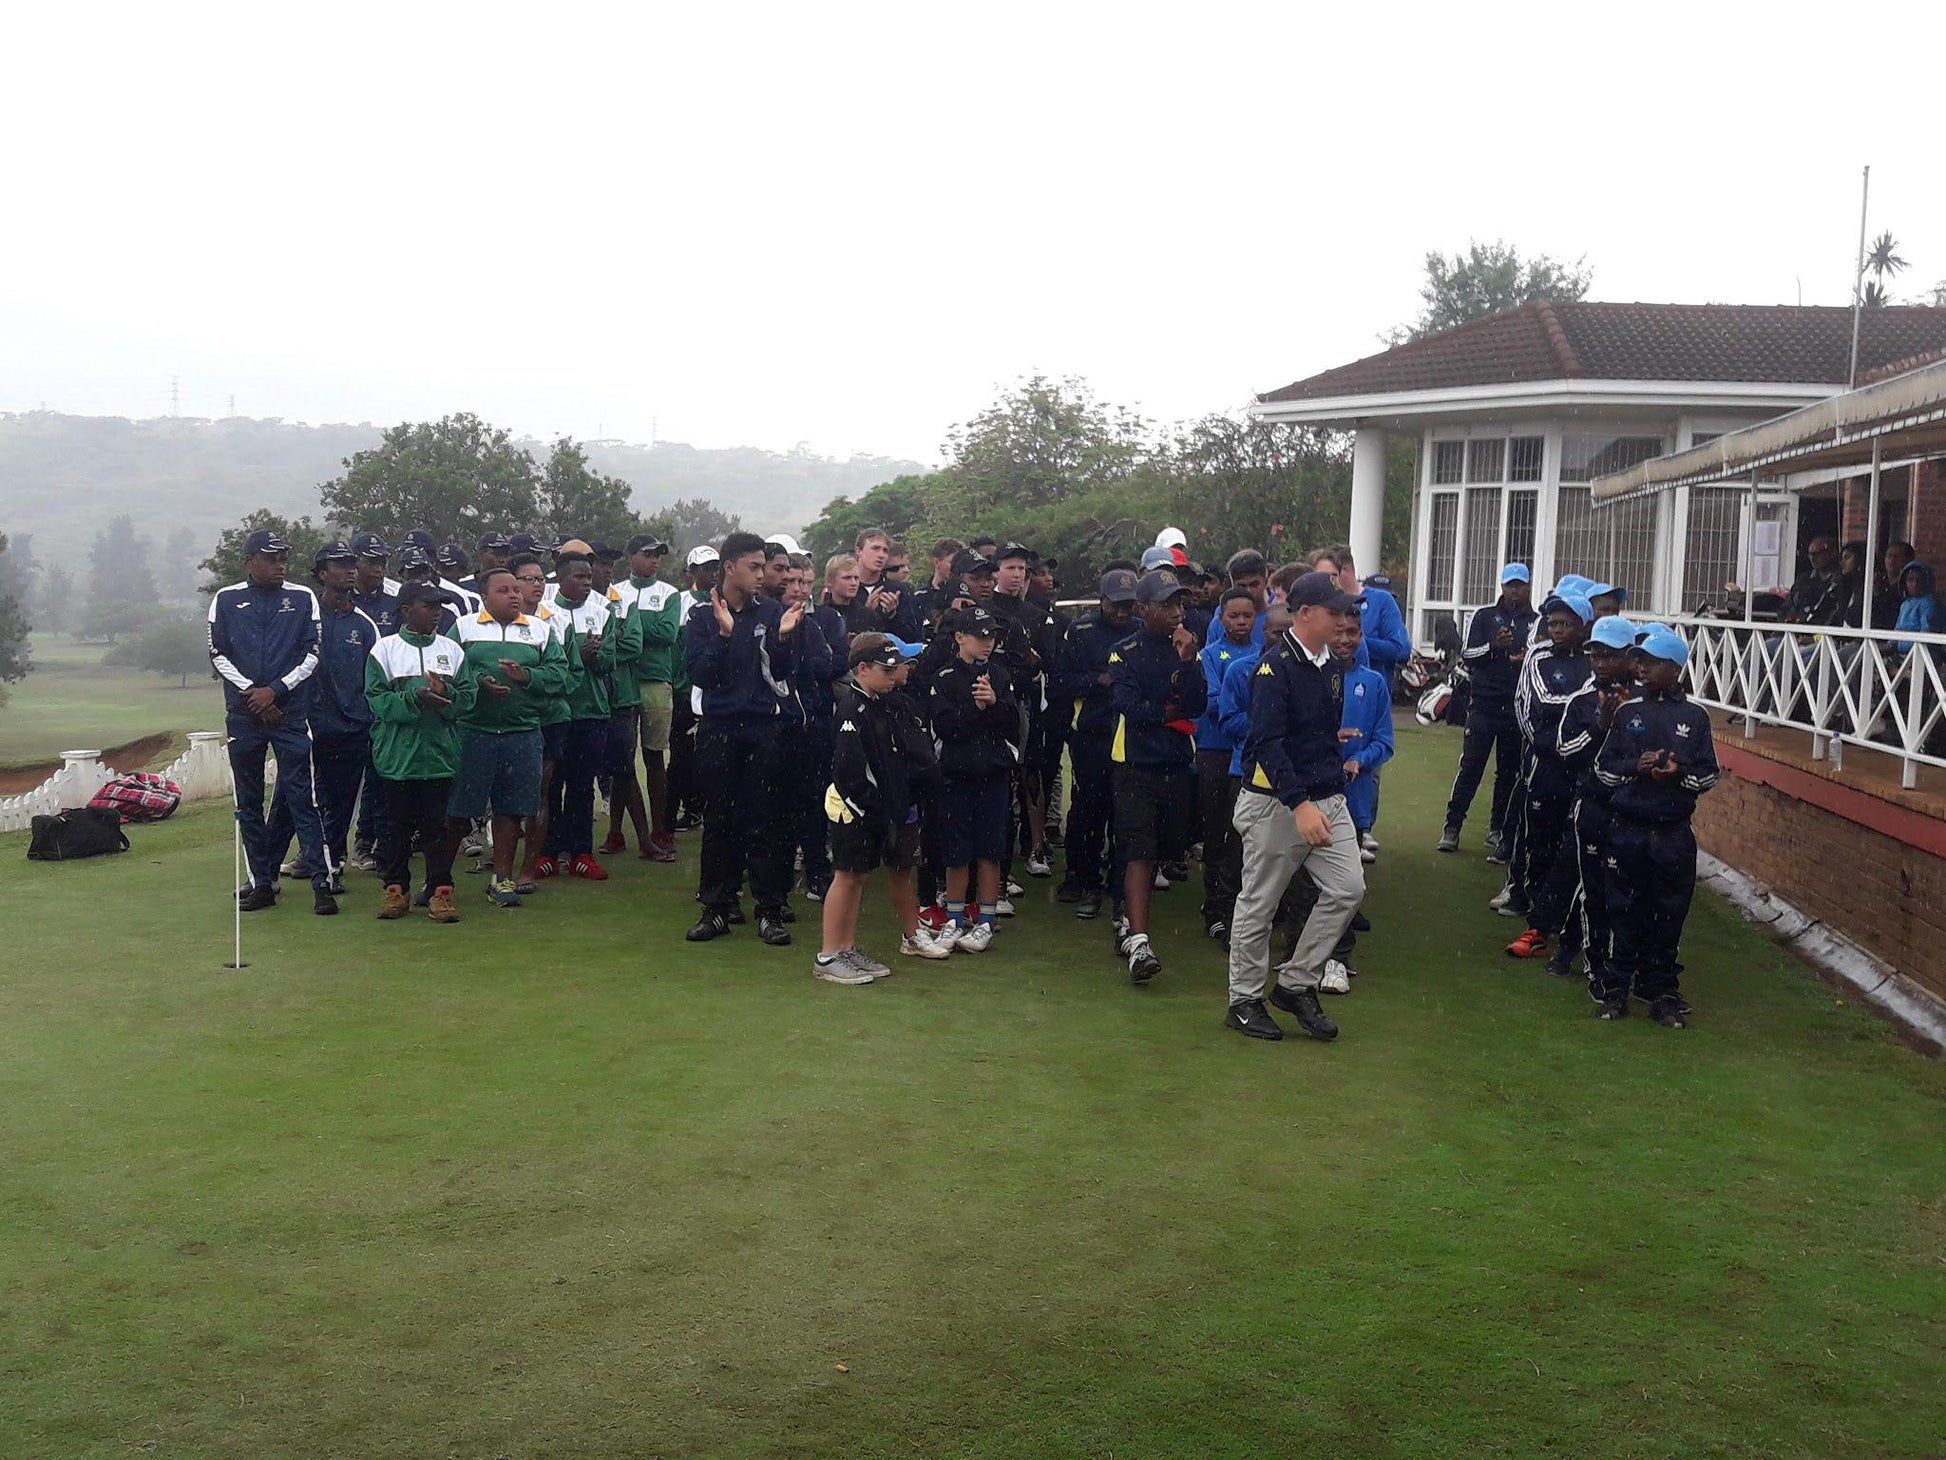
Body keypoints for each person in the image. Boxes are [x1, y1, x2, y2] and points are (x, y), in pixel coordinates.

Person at [1224, 571, 1368, 1043]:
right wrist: (1301, 804)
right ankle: (1244, 1001)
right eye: (1334, 612)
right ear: (1305, 614)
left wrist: (1330, 748)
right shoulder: (1273, 667)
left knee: (1348, 888)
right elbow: (1265, 742)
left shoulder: (1331, 664)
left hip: (1324, 796)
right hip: (1276, 804)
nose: (1343, 621)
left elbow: (1311, 731)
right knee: (1259, 903)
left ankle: (1295, 984)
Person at [208, 528, 339, 915]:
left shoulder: (302, 598)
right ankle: (262, 882)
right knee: (248, 800)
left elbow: (312, 653)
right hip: (245, 713)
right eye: (271, 557)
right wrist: (255, 692)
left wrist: (276, 690)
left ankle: (322, 881)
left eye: (283, 557)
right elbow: (218, 654)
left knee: (303, 797)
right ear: (250, 562)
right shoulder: (227, 599)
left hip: (289, 711)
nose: (280, 564)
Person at [1593, 628, 1719, 1027]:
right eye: (1639, 661)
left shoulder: (1695, 717)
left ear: (1674, 668)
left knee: (1669, 916)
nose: (1641, 668)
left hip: (1672, 833)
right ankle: (1615, 992)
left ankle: (1662, 994)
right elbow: (1603, 768)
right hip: (1627, 828)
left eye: (1650, 662)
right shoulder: (1628, 711)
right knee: (1622, 911)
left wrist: (1676, 774)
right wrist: (1637, 767)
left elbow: (1709, 775)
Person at [684, 531, 805, 946]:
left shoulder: (771, 611)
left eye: (761, 566)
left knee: (763, 820)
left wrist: (785, 637)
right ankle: (716, 908)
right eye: (753, 566)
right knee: (720, 820)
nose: (761, 574)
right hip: (718, 729)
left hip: (762, 729)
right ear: (728, 566)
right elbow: (702, 676)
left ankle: (770, 911)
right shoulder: (701, 616)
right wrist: (723, 635)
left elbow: (783, 673)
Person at [815, 633, 954, 982]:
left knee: (858, 878)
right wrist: (876, 814)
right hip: (853, 810)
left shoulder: (879, 703)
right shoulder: (852, 708)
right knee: (846, 878)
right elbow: (849, 774)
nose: (893, 676)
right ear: (862, 668)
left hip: (874, 810)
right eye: (886, 670)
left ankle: (845, 948)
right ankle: (829, 955)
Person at [1106, 569, 1206, 984]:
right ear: (1143, 609)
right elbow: (1133, 707)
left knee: (1167, 848)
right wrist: (1170, 711)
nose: (1175, 612)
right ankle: (1138, 938)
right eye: (1166, 605)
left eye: (1179, 605)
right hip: (1134, 764)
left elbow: (1196, 705)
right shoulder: (1122, 650)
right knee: (1137, 848)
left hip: (1177, 763)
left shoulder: (1186, 649)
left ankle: (1128, 918)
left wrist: (1186, 665)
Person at [450, 566, 571, 908]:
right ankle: (439, 881)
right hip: (475, 732)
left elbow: (559, 674)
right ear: (484, 597)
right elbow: (450, 668)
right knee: (459, 811)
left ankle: (502, 880)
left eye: (517, 590)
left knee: (511, 811)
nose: (515, 595)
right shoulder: (463, 628)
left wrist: (526, 675)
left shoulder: (540, 630)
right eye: (504, 590)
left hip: (523, 733)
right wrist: (480, 684)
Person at [1534, 613, 1638, 986]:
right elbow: (1565, 750)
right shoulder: (1580, 700)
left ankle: (1626, 965)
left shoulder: (1646, 702)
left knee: (1628, 888)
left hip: (1636, 811)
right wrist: (1600, 728)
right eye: (1595, 654)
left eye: (1609, 654)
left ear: (1631, 656)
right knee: (1588, 884)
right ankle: (1574, 952)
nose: (1600, 662)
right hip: (1593, 805)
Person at [269, 542, 380, 891]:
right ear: (320, 573)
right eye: (340, 564)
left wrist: (364, 717)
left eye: (352, 563)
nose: (349, 569)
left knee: (341, 799)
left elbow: (373, 677)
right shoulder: (301, 615)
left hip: (350, 728)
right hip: (302, 726)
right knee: (290, 798)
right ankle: (266, 872)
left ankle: (331, 864)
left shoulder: (363, 625)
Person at [364, 581, 475, 922]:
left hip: (440, 756)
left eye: (439, 606)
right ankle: (396, 891)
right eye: (428, 606)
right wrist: (416, 697)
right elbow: (378, 701)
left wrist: (447, 694)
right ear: (406, 610)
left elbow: (468, 699)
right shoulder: (384, 650)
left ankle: (441, 893)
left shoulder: (452, 650)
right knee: (395, 829)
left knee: (437, 830)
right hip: (398, 759)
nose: (437, 612)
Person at [1503, 590, 1594, 958]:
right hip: (1545, 762)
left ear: (1582, 626)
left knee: (1572, 843)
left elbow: (1588, 703)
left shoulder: (1593, 660)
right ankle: (1536, 918)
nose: (1557, 630)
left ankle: (1562, 922)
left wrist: (1571, 716)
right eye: (1553, 623)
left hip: (1583, 765)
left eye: (1566, 623)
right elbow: (1532, 703)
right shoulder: (1538, 656)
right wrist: (1559, 732)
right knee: (1539, 838)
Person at [929, 605, 1018, 953]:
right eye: (981, 636)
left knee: (990, 849)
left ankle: (987, 921)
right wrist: (976, 709)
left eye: (992, 636)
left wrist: (994, 704)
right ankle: (954, 917)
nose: (988, 643)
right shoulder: (944, 677)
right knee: (956, 850)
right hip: (956, 774)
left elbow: (1012, 723)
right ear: (960, 637)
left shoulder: (1001, 675)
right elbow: (946, 727)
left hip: (993, 774)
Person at [1052, 569, 1137, 918]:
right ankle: (1083, 880)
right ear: (1102, 599)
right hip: (1091, 733)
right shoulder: (1082, 631)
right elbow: (1061, 680)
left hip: (1129, 736)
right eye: (1115, 604)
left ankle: (1120, 888)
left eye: (1127, 605)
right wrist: (1099, 680)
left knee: (1126, 816)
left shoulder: (1140, 630)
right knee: (1088, 811)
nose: (1121, 612)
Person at [1439, 563, 1536, 856]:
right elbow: (1468, 654)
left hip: (1515, 707)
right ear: (1502, 586)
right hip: (1483, 705)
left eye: (1520, 584)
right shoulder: (1484, 617)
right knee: (1471, 766)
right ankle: (1452, 826)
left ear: (1528, 586)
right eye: (1510, 585)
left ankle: (1497, 829)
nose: (1515, 590)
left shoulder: (1536, 620)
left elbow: (1536, 656)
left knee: (1508, 772)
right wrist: (1495, 646)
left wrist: (1521, 658)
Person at [543, 547, 617, 879]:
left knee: (582, 785)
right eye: (580, 576)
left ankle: (581, 853)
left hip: (592, 711)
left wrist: (592, 658)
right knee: (551, 785)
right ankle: (549, 850)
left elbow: (610, 661)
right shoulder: (544, 614)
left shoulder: (602, 612)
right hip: (557, 714)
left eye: (590, 576)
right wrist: (576, 655)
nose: (588, 582)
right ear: (560, 578)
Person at [611, 533, 682, 861]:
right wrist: (633, 632)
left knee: (654, 758)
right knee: (622, 759)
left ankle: (660, 828)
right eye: (648, 554)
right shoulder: (616, 593)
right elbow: (612, 632)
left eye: (658, 555)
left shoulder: (668, 593)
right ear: (631, 557)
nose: (654, 560)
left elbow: (668, 634)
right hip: (624, 680)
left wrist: (632, 629)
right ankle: (616, 830)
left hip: (655, 680)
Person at [778, 552, 840, 903]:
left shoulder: (816, 623)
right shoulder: (772, 619)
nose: (798, 589)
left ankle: (817, 871)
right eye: (791, 582)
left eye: (804, 583)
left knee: (815, 802)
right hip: (778, 725)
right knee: (780, 805)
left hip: (813, 723)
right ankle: (781, 873)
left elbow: (830, 663)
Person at [1197, 588, 1258, 941]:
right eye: (1233, 616)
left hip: (1247, 756)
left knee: (1243, 835)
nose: (1240, 621)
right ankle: (1215, 907)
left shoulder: (1261, 655)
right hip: (1214, 751)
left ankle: (1239, 908)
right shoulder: (1210, 655)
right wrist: (1256, 715)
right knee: (1216, 831)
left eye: (1246, 616)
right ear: (1221, 619)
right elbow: (1214, 702)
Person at [670, 546, 720, 832]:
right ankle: (686, 809)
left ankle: (702, 809)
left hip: (712, 691)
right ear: (691, 572)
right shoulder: (678, 602)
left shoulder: (724, 600)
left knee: (710, 756)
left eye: (715, 566)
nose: (712, 572)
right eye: (705, 567)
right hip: (684, 690)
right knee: (682, 755)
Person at [1339, 614, 1395, 868]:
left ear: (1361, 637)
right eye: (1338, 631)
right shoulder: (1308, 677)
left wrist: (1359, 759)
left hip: (1355, 794)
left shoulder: (1373, 683)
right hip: (1313, 795)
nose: (1344, 639)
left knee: (1349, 879)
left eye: (1352, 632)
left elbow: (1384, 741)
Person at [1784, 536, 1845, 625]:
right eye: (1810, 555)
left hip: (1821, 634)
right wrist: (1788, 617)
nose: (1813, 558)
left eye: (1817, 554)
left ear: (1831, 553)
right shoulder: (1803, 580)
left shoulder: (1841, 581)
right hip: (1795, 631)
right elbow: (1787, 607)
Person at [1893, 560, 1945, 655]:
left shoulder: (1928, 603)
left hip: (1923, 655)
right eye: (1910, 580)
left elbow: (1926, 631)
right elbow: (1898, 629)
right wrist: (1891, 645)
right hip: (1902, 655)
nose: (1915, 584)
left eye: (1919, 580)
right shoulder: (1905, 604)